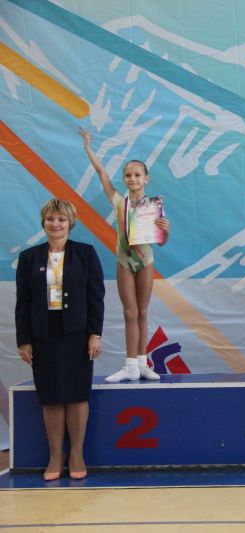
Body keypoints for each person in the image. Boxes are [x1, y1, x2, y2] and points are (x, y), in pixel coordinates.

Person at [16, 199, 104, 481]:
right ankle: (56, 456)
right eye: (51, 219)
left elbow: (96, 297)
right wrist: (24, 340)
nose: (56, 224)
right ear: (43, 223)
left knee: (77, 396)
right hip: (43, 335)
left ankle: (77, 454)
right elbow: (23, 303)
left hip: (77, 335)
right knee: (51, 398)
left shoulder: (86, 253)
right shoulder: (29, 258)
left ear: (71, 223)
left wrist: (95, 334)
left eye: (61, 219)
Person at [80, 127, 170, 382]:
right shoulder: (119, 201)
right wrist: (88, 147)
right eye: (128, 175)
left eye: (137, 175)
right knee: (129, 313)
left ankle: (142, 363)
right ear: (124, 179)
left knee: (142, 312)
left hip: (146, 261)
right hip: (124, 260)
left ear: (146, 179)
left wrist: (166, 230)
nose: (132, 178)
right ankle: (130, 365)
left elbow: (161, 243)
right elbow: (101, 173)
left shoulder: (154, 208)